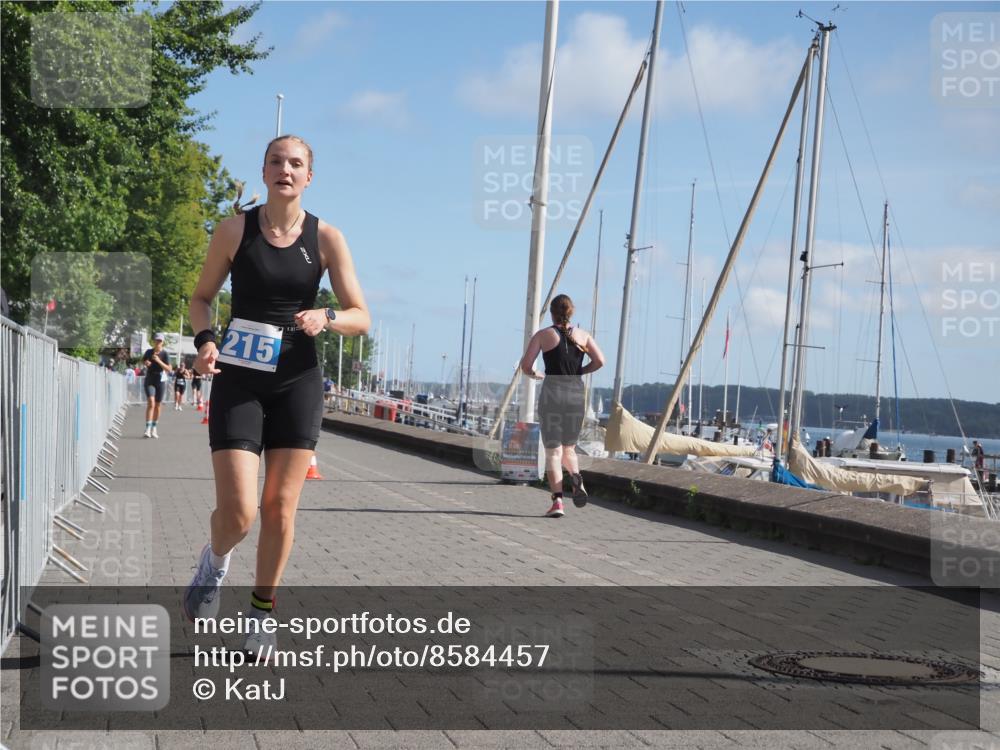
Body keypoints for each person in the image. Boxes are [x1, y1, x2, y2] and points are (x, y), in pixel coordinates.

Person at [183, 134, 370, 659]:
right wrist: (205, 341)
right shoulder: (234, 230)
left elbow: (362, 315)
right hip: (240, 380)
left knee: (280, 507)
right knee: (240, 511)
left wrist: (327, 317)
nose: (284, 170)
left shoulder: (327, 238)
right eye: (275, 162)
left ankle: (261, 614)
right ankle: (215, 562)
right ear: (263, 171)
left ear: (309, 176)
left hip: (297, 382)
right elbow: (201, 298)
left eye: (295, 164)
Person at [519, 294, 605, 518]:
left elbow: (526, 366)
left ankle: (558, 502)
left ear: (552, 313)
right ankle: (576, 477)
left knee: (553, 453)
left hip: (552, 395)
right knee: (569, 449)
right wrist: (581, 371)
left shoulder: (543, 335)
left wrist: (536, 374)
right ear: (571, 312)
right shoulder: (583, 335)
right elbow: (600, 361)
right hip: (576, 394)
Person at [142, 333, 173, 438]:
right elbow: (144, 361)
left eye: (160, 341)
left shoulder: (165, 354)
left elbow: (169, 369)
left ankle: (154, 427)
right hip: (150, 378)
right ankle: (147, 428)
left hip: (160, 380)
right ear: (154, 341)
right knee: (151, 402)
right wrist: (146, 363)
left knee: (158, 405)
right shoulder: (149, 352)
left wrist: (158, 360)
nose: (158, 342)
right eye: (156, 340)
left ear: (162, 342)